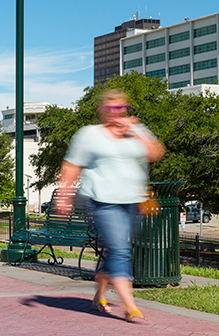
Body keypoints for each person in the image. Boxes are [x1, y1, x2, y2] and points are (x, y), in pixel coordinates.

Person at [55, 89, 165, 323]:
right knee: (120, 250)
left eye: (122, 108)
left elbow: (156, 153)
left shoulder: (135, 130)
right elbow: (71, 166)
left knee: (116, 251)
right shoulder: (89, 135)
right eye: (111, 108)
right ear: (102, 111)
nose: (117, 113)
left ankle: (98, 296)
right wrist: (64, 197)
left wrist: (136, 131)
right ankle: (130, 307)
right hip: (102, 201)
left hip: (133, 201)